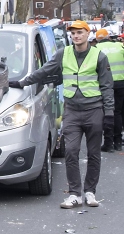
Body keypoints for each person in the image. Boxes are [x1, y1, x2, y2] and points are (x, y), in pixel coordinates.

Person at [11, 20, 115, 208]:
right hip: (72, 111)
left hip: (94, 110)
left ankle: (90, 192)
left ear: (87, 34)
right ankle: (74, 194)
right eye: (73, 33)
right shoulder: (63, 53)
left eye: (80, 32)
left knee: (93, 154)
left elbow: (107, 86)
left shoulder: (99, 56)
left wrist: (108, 113)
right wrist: (22, 83)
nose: (76, 36)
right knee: (71, 152)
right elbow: (44, 71)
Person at [94, 29, 124, 151]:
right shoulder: (120, 46)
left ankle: (108, 143)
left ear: (97, 39)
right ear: (109, 37)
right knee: (118, 112)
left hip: (105, 85)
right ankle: (118, 141)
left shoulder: (96, 49)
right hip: (121, 83)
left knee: (107, 112)